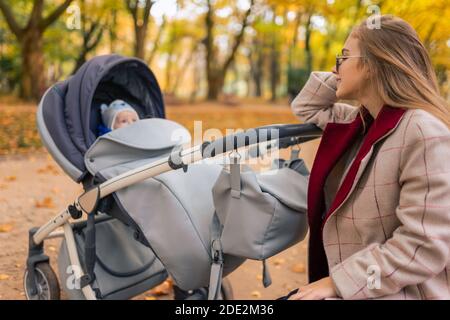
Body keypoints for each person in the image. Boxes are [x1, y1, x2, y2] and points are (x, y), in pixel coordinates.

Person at [288, 15, 450, 300]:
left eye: (344, 56)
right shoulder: (361, 123)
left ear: (373, 64)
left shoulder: (423, 131)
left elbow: (425, 244)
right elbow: (307, 107)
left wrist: (337, 283)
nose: (335, 66)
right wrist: (345, 70)